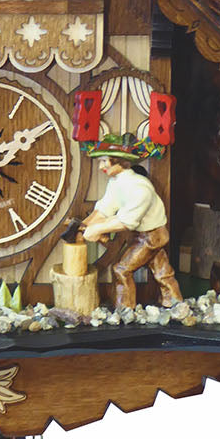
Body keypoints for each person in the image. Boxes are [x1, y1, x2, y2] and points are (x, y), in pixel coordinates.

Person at [81, 132, 182, 310]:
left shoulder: (139, 187)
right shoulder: (116, 182)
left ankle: (125, 309)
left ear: (118, 161)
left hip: (151, 236)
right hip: (144, 235)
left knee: (122, 269)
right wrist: (84, 225)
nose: (100, 167)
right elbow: (104, 208)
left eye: (104, 161)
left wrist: (97, 230)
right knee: (162, 270)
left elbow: (127, 221)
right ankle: (174, 302)